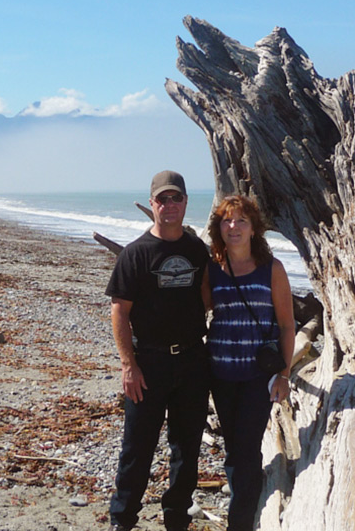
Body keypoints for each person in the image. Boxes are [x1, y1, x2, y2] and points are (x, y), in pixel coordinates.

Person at [105, 170, 211, 531]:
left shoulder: (197, 250)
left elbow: (207, 298)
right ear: (152, 204)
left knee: (186, 449)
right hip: (148, 363)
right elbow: (120, 311)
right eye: (162, 199)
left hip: (193, 362)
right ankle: (122, 520)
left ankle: (176, 519)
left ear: (185, 203)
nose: (169, 205)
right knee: (138, 448)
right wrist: (128, 365)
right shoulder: (135, 254)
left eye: (176, 198)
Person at [204, 195, 295, 531]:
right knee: (235, 448)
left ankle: (239, 523)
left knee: (246, 446)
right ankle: (246, 501)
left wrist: (284, 374)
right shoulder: (213, 269)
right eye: (227, 221)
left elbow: (287, 325)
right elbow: (195, 311)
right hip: (221, 373)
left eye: (241, 220)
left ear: (255, 228)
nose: (234, 226)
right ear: (219, 228)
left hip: (258, 376)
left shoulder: (272, 269)